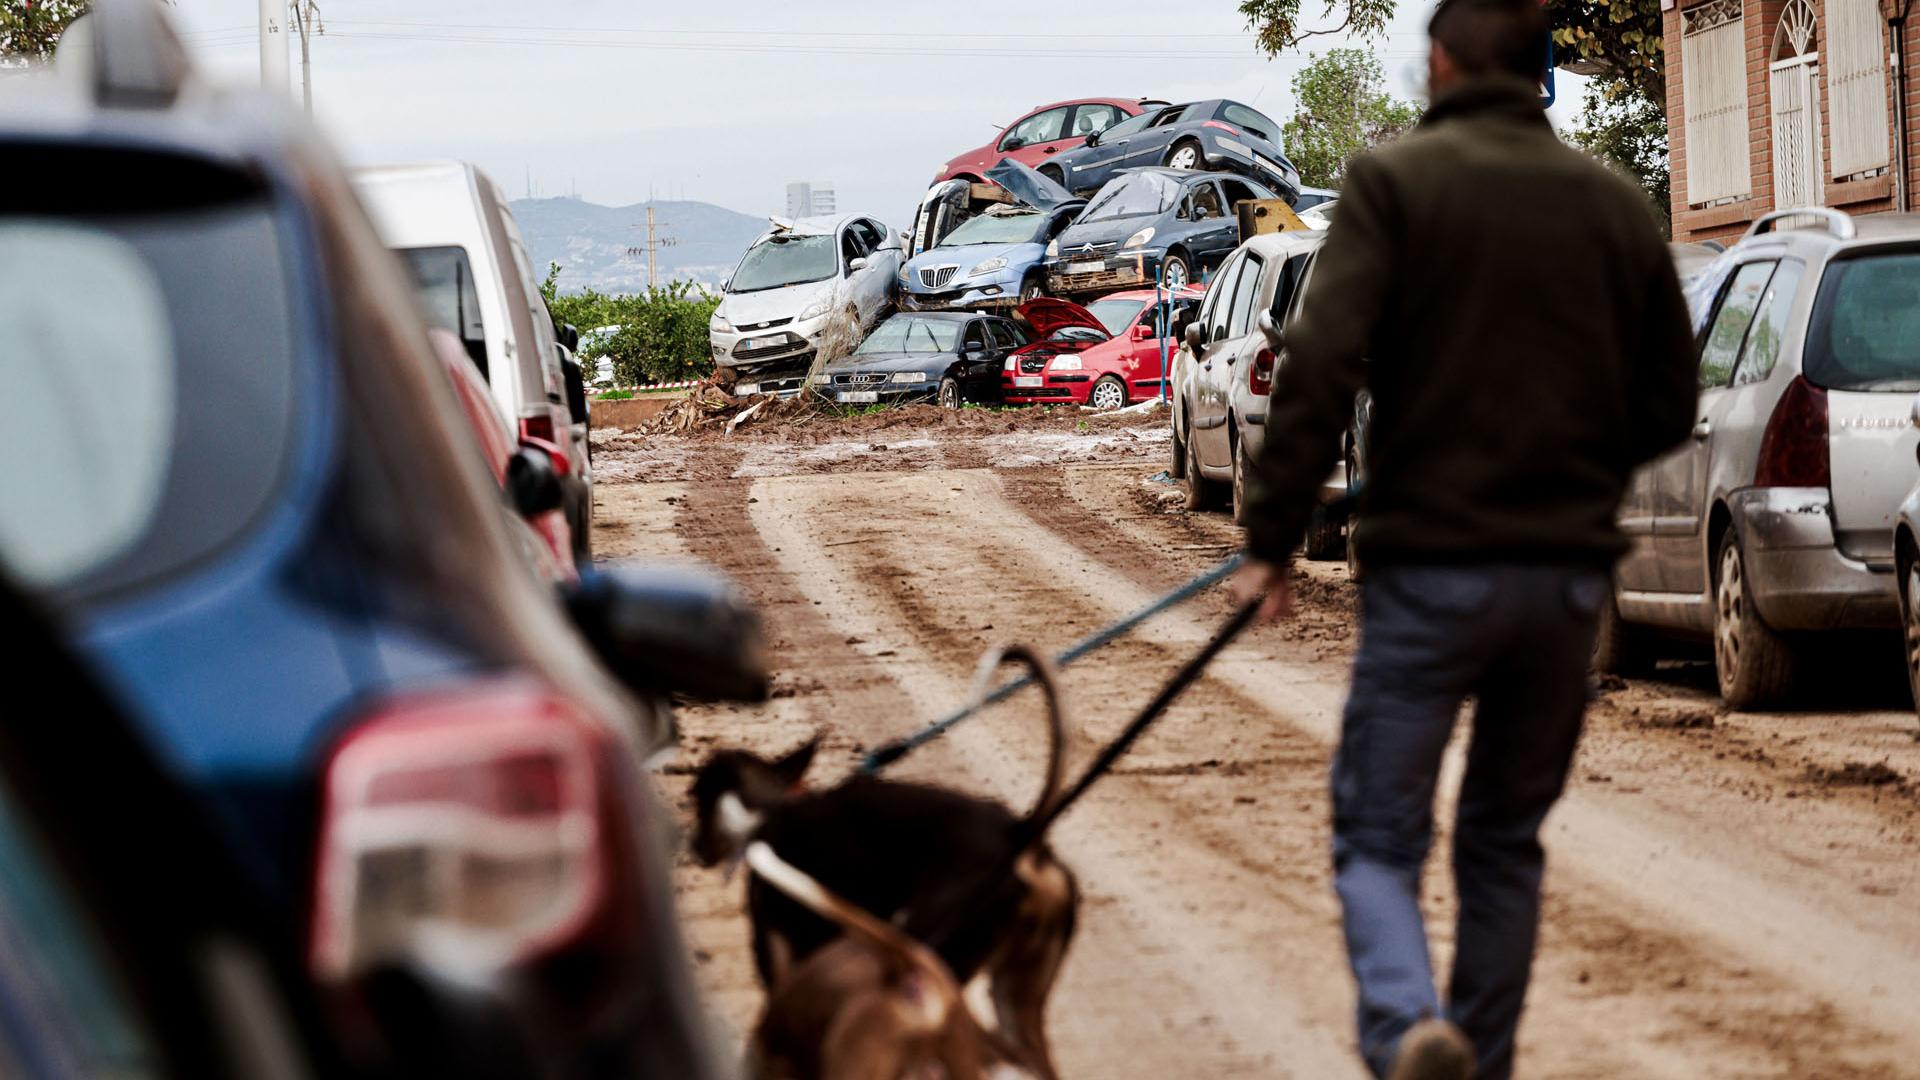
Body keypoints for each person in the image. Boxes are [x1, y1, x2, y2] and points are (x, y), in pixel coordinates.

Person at [1228, 0, 1698, 1077]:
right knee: (1503, 840)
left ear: (1440, 64)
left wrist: (1272, 536)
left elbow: (1319, 363)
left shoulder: (1396, 186)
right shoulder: (1612, 204)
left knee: (1380, 838)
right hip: (1565, 582)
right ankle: (1476, 1058)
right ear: (1540, 72)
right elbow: (1671, 400)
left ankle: (1403, 1032)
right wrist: (1570, 471)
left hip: (1431, 570)